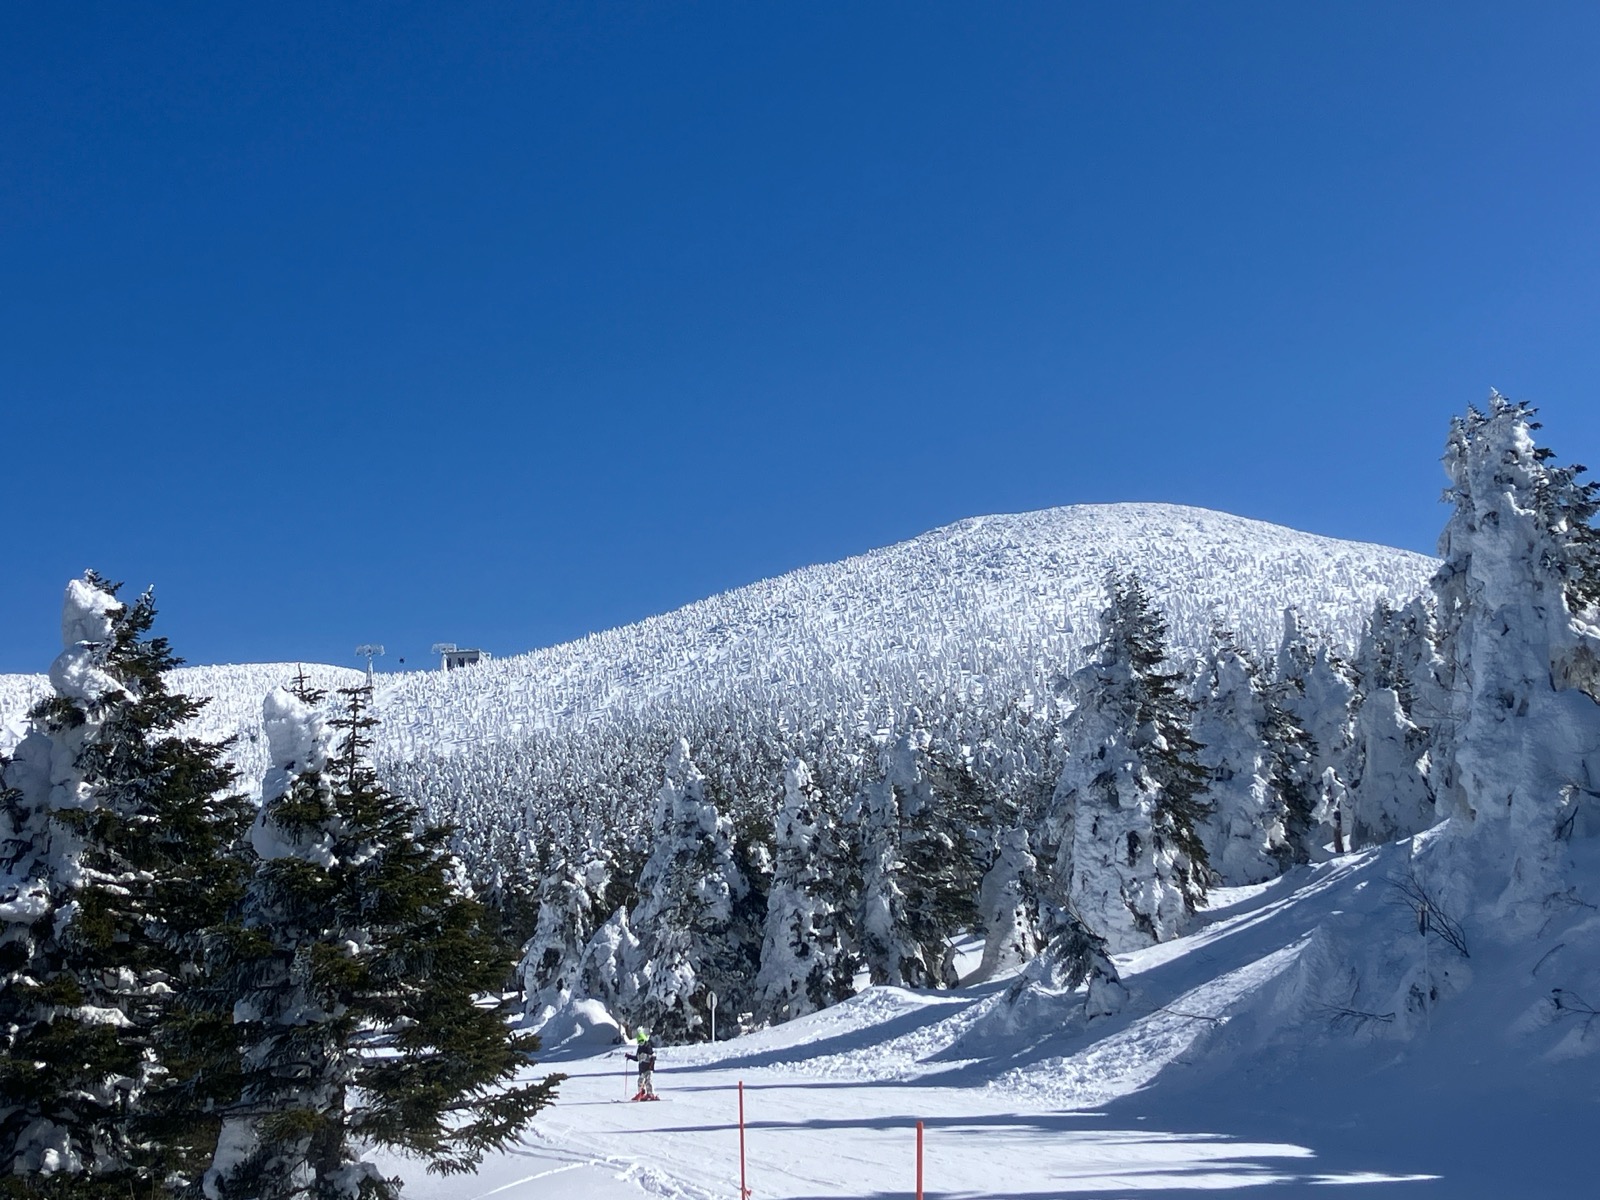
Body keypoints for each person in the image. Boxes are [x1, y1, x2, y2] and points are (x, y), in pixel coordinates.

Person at [626, 1028, 658, 1100]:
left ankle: (650, 1094)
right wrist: (629, 1057)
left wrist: (651, 1066)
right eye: (639, 1041)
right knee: (640, 1081)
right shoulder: (639, 1049)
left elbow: (653, 1057)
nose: (641, 1042)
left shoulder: (648, 1047)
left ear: (644, 1039)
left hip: (648, 1068)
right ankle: (641, 1093)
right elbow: (637, 1058)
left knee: (648, 1081)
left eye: (642, 1040)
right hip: (642, 1069)